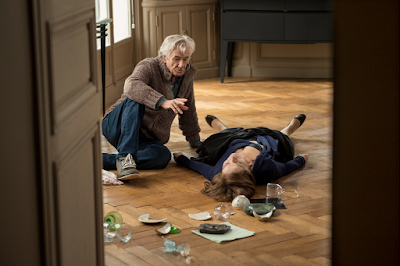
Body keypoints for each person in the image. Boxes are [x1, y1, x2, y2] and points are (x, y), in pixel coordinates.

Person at [102, 35, 202, 180]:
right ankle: (125, 159)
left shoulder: (186, 76)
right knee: (135, 96)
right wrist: (162, 101)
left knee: (162, 156)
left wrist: (194, 140)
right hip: (117, 126)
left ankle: (107, 160)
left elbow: (188, 107)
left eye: (185, 59)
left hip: (146, 137)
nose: (182, 64)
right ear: (164, 57)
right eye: (176, 59)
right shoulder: (149, 66)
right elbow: (132, 85)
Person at [173, 114, 309, 201]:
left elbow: (199, 167)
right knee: (283, 137)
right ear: (248, 170)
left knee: (225, 136)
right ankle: (289, 128)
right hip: (267, 141)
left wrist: (181, 159)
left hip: (236, 141)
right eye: (238, 163)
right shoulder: (267, 169)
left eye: (226, 164)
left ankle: (221, 127)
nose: (232, 157)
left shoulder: (219, 173)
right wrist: (301, 160)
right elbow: (286, 168)